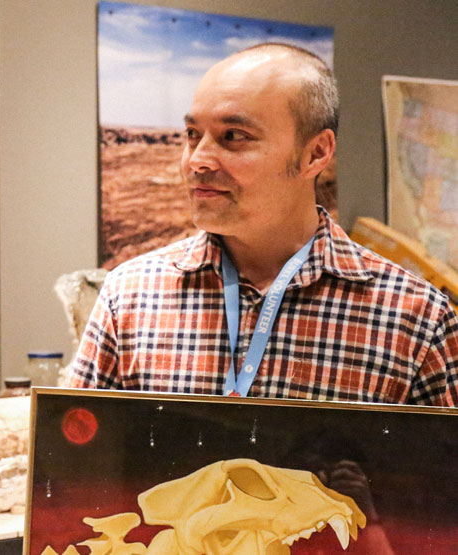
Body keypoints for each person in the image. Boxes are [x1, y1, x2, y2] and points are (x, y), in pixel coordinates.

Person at [66, 43, 458, 405]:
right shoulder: (129, 297)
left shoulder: (418, 321)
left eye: (233, 136)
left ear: (315, 153)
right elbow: (74, 472)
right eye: (191, 134)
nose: (197, 161)